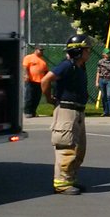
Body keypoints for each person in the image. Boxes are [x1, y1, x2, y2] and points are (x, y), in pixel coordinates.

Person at [41, 35, 92, 195]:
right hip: (66, 111)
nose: (89, 53)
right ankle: (61, 184)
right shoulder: (66, 66)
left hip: (78, 111)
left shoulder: (79, 66)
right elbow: (46, 80)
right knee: (66, 148)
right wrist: (49, 98)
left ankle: (70, 179)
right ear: (78, 51)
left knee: (79, 149)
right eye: (87, 50)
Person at [22, 44, 49, 117]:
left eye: (42, 50)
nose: (42, 52)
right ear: (36, 50)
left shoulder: (43, 61)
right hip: (31, 80)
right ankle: (27, 112)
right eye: (40, 50)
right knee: (29, 97)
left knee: (37, 98)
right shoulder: (29, 57)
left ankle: (33, 112)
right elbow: (25, 67)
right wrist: (26, 75)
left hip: (40, 82)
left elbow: (46, 71)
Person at [94, 47, 110, 117]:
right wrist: (97, 81)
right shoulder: (100, 62)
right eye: (107, 53)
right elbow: (98, 72)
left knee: (109, 95)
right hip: (102, 79)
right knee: (103, 96)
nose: (108, 54)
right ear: (103, 54)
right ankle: (105, 111)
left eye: (109, 53)